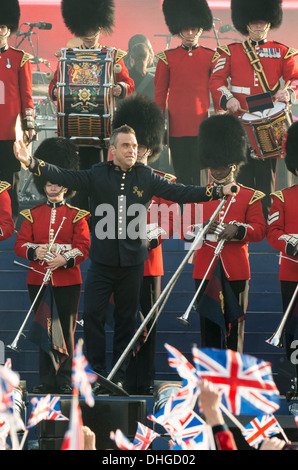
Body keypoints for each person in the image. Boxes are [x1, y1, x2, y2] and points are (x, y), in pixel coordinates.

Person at [14, 125, 239, 392]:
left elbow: (181, 193)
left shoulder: (146, 176)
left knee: (126, 321)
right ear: (113, 150)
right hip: (102, 262)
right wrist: (30, 162)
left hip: (133, 263)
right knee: (94, 316)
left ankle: (117, 374)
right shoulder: (97, 174)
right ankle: (97, 373)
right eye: (126, 146)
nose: (132, 150)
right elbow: (65, 176)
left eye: (134, 146)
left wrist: (217, 192)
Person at [111, 94, 178, 394]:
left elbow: (171, 219)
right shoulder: (115, 179)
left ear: (149, 148)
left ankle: (144, 380)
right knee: (125, 321)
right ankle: (122, 377)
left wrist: (152, 236)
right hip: (122, 261)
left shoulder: (163, 180)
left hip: (150, 263)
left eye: (140, 147)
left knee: (147, 326)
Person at [182, 114, 266, 352]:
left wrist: (238, 230)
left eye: (221, 166)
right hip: (206, 269)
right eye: (213, 167)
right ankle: (210, 382)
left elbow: (259, 230)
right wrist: (202, 229)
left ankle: (233, 382)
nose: (216, 172)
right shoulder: (197, 196)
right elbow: (185, 233)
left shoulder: (250, 196)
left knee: (234, 331)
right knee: (208, 331)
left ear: (233, 163)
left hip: (236, 270)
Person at [14, 137, 90, 394]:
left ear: (66, 186)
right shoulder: (31, 215)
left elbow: (84, 247)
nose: (53, 187)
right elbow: (20, 245)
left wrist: (64, 259)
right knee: (43, 328)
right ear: (42, 184)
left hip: (68, 281)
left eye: (57, 183)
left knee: (66, 330)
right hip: (38, 279)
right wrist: (36, 251)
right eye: (48, 183)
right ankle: (47, 379)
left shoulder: (76, 215)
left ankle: (65, 379)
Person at [209, 0, 298, 219]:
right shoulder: (229, 51)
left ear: (269, 23)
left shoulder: (282, 51)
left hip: (268, 120)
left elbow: (295, 78)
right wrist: (227, 98)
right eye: (254, 24)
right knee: (240, 172)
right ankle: (243, 219)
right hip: (240, 119)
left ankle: (266, 220)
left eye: (262, 23)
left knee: (267, 176)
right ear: (245, 25)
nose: (258, 27)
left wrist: (289, 93)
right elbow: (216, 80)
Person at [48, 0, 135, 212]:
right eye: (84, 30)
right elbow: (54, 86)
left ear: (100, 29)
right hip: (75, 128)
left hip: (100, 130)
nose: (89, 34)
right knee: (76, 177)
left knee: (99, 175)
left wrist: (120, 88)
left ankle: (98, 216)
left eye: (92, 29)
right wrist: (56, 92)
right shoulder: (67, 57)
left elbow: (129, 83)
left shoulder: (112, 56)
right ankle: (78, 216)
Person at [154, 0, 214, 186]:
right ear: (178, 29)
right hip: (177, 129)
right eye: (185, 29)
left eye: (193, 29)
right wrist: (158, 125)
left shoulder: (211, 56)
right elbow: (160, 95)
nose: (189, 33)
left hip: (203, 128)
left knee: (202, 181)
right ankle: (183, 215)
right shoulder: (167, 58)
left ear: (200, 29)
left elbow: (218, 91)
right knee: (181, 180)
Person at [266, 121, 298, 400]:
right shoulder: (282, 198)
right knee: (294, 333)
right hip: (291, 272)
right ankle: (295, 387)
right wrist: (292, 242)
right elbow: (273, 233)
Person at [0, 0, 35, 223]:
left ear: (8, 29)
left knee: (10, 180)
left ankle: (9, 223)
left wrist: (29, 125)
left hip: (9, 132)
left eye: (2, 26)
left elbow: (27, 96)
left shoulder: (20, 59)